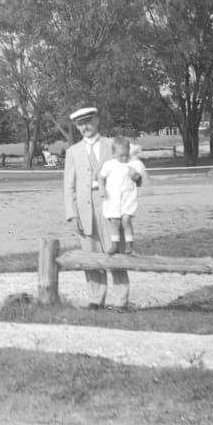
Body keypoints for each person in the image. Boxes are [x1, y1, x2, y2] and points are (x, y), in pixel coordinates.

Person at [63, 106, 128, 309]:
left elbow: (129, 172)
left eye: (89, 121)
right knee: (90, 257)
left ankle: (120, 301)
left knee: (115, 253)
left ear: (97, 120)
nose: (85, 127)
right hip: (85, 210)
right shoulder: (73, 152)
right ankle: (94, 299)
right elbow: (68, 186)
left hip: (111, 207)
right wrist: (73, 215)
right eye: (80, 124)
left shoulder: (112, 145)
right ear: (76, 126)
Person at [97, 137, 148, 255]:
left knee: (126, 220)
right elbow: (100, 177)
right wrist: (102, 189)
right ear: (113, 153)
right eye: (121, 156)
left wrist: (135, 176)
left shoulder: (135, 164)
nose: (124, 158)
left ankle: (129, 245)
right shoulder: (110, 164)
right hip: (112, 198)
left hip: (128, 198)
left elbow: (140, 180)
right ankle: (114, 244)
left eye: (126, 155)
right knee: (114, 221)